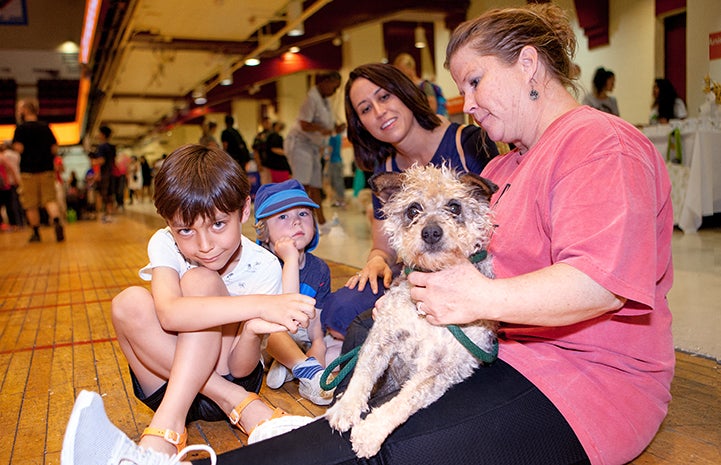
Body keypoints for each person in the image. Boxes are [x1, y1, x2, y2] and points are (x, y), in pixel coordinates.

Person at [62, 4, 674, 465]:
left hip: (585, 387)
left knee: (382, 450)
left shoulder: (600, 144)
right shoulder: (504, 166)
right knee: (360, 421)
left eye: (476, 81)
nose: (466, 100)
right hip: (503, 356)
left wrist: (475, 299)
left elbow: (599, 284)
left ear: (530, 64)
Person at [97, 144, 317, 461]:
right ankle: (231, 403)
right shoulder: (164, 242)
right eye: (185, 230)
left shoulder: (264, 266)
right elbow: (170, 314)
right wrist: (258, 306)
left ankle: (167, 428)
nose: (204, 246)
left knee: (200, 280)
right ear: (169, 225)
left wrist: (252, 330)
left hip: (232, 372)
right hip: (174, 383)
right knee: (127, 302)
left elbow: (243, 367)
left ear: (244, 210)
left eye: (217, 225)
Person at [320, 62, 498, 340]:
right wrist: (377, 261)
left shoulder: (468, 144)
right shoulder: (386, 171)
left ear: (404, 92)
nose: (379, 112)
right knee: (340, 311)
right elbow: (383, 247)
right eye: (365, 109)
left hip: (473, 274)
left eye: (384, 96)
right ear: (361, 124)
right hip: (416, 274)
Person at [253, 179, 336, 406]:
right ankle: (301, 367)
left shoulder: (319, 268)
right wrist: (289, 258)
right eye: (282, 216)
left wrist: (318, 344)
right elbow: (285, 311)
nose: (296, 222)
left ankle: (296, 366)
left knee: (328, 345)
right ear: (264, 232)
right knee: (275, 335)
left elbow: (316, 316)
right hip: (266, 337)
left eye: (303, 214)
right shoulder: (261, 265)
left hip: (301, 334)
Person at [284, 71, 345, 226]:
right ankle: (297, 220)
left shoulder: (325, 101)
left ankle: (321, 221)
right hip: (300, 144)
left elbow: (327, 126)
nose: (335, 91)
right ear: (325, 82)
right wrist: (323, 129)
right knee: (302, 184)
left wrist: (335, 129)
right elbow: (305, 123)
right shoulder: (311, 98)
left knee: (316, 184)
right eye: (334, 86)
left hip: (313, 146)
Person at [12, 98, 65, 242]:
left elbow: (19, 148)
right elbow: (54, 148)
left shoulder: (21, 129)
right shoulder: (45, 127)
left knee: (30, 204)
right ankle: (56, 221)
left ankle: (36, 232)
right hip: (46, 169)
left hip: (28, 171)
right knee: (50, 199)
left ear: (25, 110)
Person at [91, 126, 117, 223]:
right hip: (112, 173)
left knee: (105, 194)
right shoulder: (112, 147)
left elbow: (102, 160)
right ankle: (110, 214)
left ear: (103, 134)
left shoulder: (102, 147)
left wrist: (93, 161)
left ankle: (107, 214)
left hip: (105, 174)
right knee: (110, 194)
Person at [327, 131, 346, 207]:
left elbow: (329, 149)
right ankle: (339, 200)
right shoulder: (338, 137)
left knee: (336, 182)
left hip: (334, 162)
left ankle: (340, 200)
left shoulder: (332, 138)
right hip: (338, 161)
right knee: (338, 181)